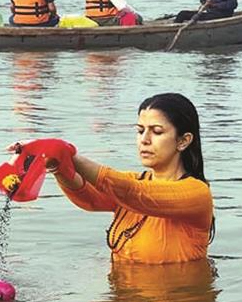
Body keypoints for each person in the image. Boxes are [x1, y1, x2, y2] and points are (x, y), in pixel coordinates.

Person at [26, 93, 215, 264]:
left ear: (183, 141)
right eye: (140, 131)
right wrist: (56, 164)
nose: (144, 140)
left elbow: (133, 192)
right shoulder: (134, 182)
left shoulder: (196, 193)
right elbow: (88, 197)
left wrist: (67, 153)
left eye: (156, 132)